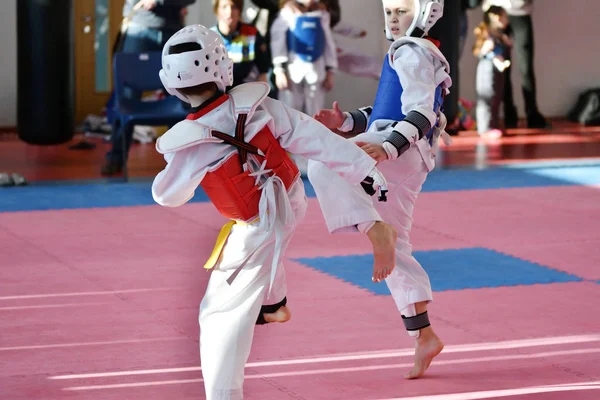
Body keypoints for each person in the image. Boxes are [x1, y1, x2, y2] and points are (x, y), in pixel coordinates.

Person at [151, 24, 397, 400]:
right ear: (222, 67)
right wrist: (367, 173)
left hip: (257, 221)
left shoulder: (191, 141)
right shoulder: (261, 106)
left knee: (219, 312)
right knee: (268, 246)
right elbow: (318, 141)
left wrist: (183, 166)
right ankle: (274, 304)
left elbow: (167, 196)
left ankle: (223, 394)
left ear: (173, 82)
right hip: (291, 195)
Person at [308, 0, 450, 379]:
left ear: (423, 12)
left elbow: (422, 113)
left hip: (400, 150)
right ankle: (423, 334)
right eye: (389, 11)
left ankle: (374, 230)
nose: (392, 18)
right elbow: (387, 111)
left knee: (322, 162)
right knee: (396, 247)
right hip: (405, 150)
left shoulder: (412, 52)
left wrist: (386, 147)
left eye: (401, 10)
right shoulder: (416, 52)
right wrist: (349, 121)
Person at [101, 0, 196, 176]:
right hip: (140, 27)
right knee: (127, 96)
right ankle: (116, 157)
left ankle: (179, 160)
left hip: (173, 31)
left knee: (180, 95)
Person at [483, 0, 548, 128]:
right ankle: (509, 115)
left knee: (526, 68)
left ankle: (532, 113)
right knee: (501, 68)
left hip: (520, 12)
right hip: (495, 10)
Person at [270, 0, 338, 117]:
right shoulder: (288, 12)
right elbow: (277, 39)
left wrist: (330, 71)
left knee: (316, 112)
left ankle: (314, 134)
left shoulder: (322, 14)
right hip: (292, 71)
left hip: (316, 70)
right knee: (289, 111)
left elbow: (328, 43)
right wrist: (279, 69)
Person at [211, 0, 271, 87]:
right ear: (216, 10)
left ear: (240, 10)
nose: (230, 12)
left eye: (234, 7)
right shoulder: (210, 37)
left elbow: (263, 72)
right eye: (224, 7)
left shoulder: (252, 33)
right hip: (219, 92)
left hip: (247, 91)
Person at [473, 5, 512, 138]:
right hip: (487, 69)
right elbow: (478, 52)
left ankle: (493, 124)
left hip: (497, 69)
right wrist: (487, 48)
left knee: (496, 96)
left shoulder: (500, 34)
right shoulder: (486, 33)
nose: (507, 20)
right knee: (487, 97)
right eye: (505, 17)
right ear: (496, 18)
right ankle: (484, 127)